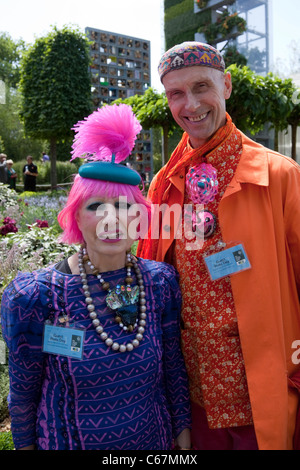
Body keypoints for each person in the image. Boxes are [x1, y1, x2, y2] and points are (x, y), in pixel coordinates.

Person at [137, 42, 300, 450]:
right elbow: (151, 278)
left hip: (264, 388)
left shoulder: (281, 176)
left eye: (201, 87)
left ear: (226, 85)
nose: (190, 104)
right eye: (176, 93)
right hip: (192, 397)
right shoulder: (162, 185)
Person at [1, 104, 191, 451]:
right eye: (95, 206)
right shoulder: (34, 297)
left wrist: (184, 440)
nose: (111, 218)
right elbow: (23, 396)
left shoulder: (160, 283)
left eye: (123, 206)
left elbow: (174, 372)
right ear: (75, 216)